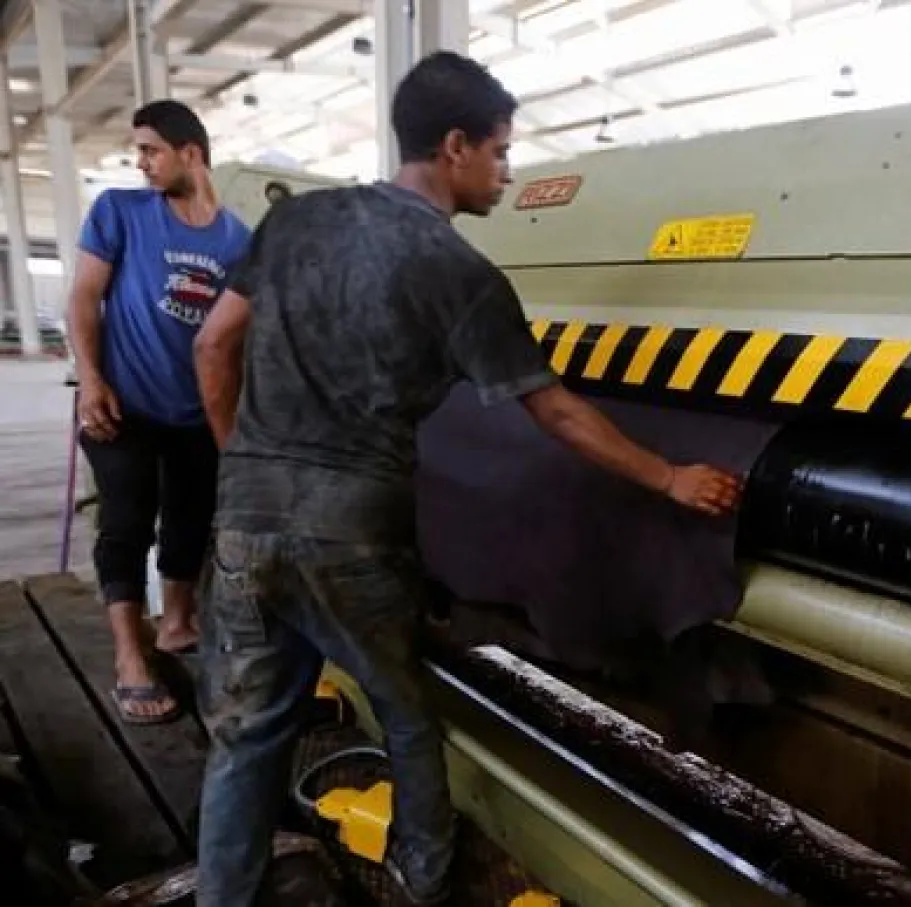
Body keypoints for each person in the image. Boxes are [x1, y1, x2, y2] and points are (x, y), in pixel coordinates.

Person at [191, 51, 743, 907]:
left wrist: (242, 464)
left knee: (247, 731)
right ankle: (424, 880)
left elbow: (211, 345)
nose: (508, 173)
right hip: (352, 529)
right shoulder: (459, 272)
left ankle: (223, 896)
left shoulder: (296, 222)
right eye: (499, 151)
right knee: (405, 710)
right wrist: (668, 476)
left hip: (244, 518)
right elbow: (555, 414)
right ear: (454, 147)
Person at [65, 99, 252, 725]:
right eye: (138, 150)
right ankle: (130, 658)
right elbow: (85, 298)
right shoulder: (120, 212)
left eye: (150, 150)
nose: (139, 162)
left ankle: (175, 625)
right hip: (123, 406)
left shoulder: (238, 241)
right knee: (126, 522)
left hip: (195, 414)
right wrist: (91, 379)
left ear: (190, 153)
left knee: (190, 525)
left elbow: (236, 338)